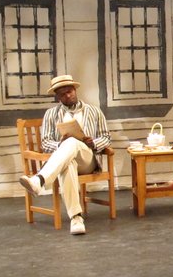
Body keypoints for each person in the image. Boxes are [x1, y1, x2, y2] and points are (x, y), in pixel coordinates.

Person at [19, 75, 111, 235]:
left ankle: (39, 179)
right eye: (62, 94)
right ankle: (76, 219)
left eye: (69, 91)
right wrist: (59, 144)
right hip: (65, 160)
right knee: (68, 164)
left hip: (87, 160)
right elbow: (45, 143)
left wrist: (93, 143)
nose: (67, 96)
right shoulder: (51, 114)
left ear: (75, 90)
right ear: (57, 96)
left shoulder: (94, 111)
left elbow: (106, 137)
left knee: (72, 142)